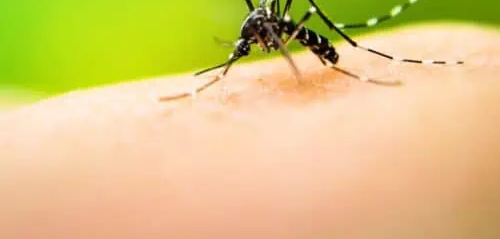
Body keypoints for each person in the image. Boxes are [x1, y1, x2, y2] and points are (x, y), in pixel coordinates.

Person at [1, 23, 499, 238]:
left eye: (239, 51)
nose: (242, 52)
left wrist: (310, 64)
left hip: (319, 42)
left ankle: (358, 57)